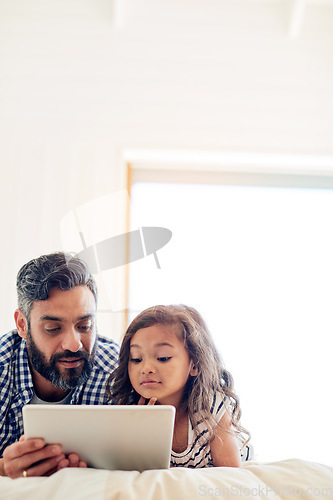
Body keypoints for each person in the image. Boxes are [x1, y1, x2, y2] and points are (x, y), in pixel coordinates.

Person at [0, 252, 119, 478]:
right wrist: (3, 468)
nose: (74, 345)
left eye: (85, 325)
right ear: (22, 325)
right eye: (53, 329)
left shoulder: (119, 370)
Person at [108, 304, 252, 468]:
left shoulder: (211, 408)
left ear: (194, 365)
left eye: (163, 358)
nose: (146, 368)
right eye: (136, 359)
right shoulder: (130, 409)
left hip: (237, 449)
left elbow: (229, 473)